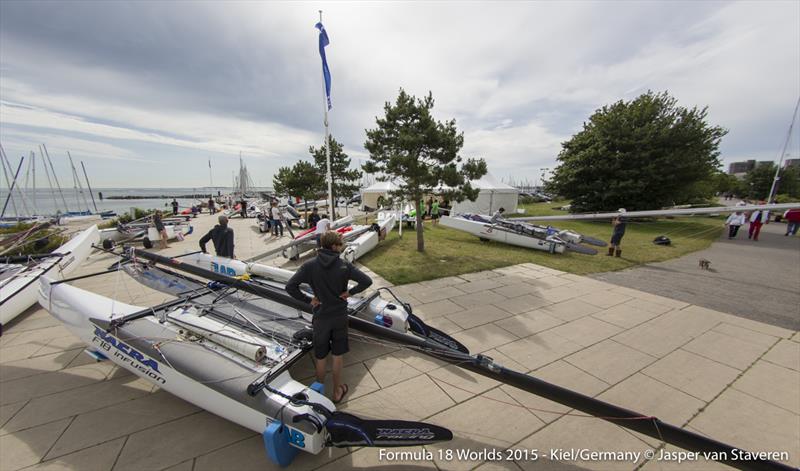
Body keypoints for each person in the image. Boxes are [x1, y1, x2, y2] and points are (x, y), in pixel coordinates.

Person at [286, 231, 373, 403]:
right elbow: (366, 281)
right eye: (340, 244)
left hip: (321, 317)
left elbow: (290, 286)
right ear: (334, 246)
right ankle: (336, 392)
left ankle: (319, 391)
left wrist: (309, 300)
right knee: (337, 355)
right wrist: (350, 292)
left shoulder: (309, 265)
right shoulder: (343, 266)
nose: (342, 247)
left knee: (320, 356)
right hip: (339, 316)